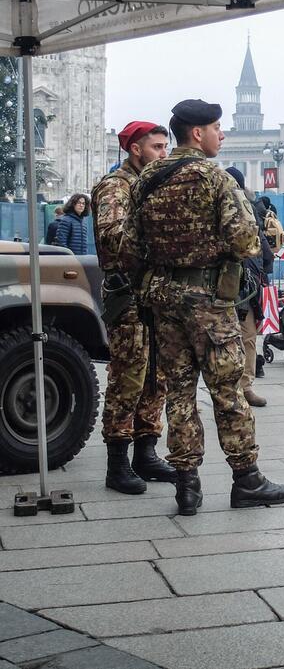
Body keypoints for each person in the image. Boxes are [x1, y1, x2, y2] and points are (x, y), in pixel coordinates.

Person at [119, 98, 284, 516]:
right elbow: (246, 241)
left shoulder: (146, 180)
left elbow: (129, 247)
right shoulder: (216, 179)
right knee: (227, 390)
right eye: (217, 128)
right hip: (209, 303)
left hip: (163, 302)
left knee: (179, 393)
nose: (222, 134)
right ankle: (246, 479)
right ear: (198, 134)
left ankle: (187, 486)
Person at [91, 121, 175, 494]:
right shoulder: (117, 187)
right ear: (135, 150)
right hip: (128, 295)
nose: (163, 153)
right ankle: (117, 463)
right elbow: (113, 238)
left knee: (156, 375)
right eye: (157, 147)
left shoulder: (150, 186)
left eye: (165, 147)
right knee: (128, 377)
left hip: (154, 295)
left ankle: (146, 452)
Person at [225, 166, 267, 408]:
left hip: (246, 283)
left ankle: (245, 386)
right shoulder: (217, 206)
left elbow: (260, 245)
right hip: (223, 284)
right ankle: (231, 387)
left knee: (248, 336)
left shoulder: (250, 208)